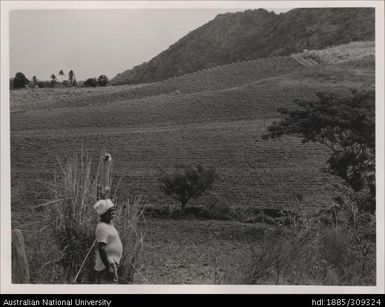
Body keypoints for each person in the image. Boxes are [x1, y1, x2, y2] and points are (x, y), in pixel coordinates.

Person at [93, 199, 123, 284]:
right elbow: (101, 248)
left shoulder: (109, 224)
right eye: (110, 210)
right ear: (103, 213)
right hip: (106, 266)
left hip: (111, 263)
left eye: (113, 209)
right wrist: (109, 267)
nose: (113, 211)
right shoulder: (102, 227)